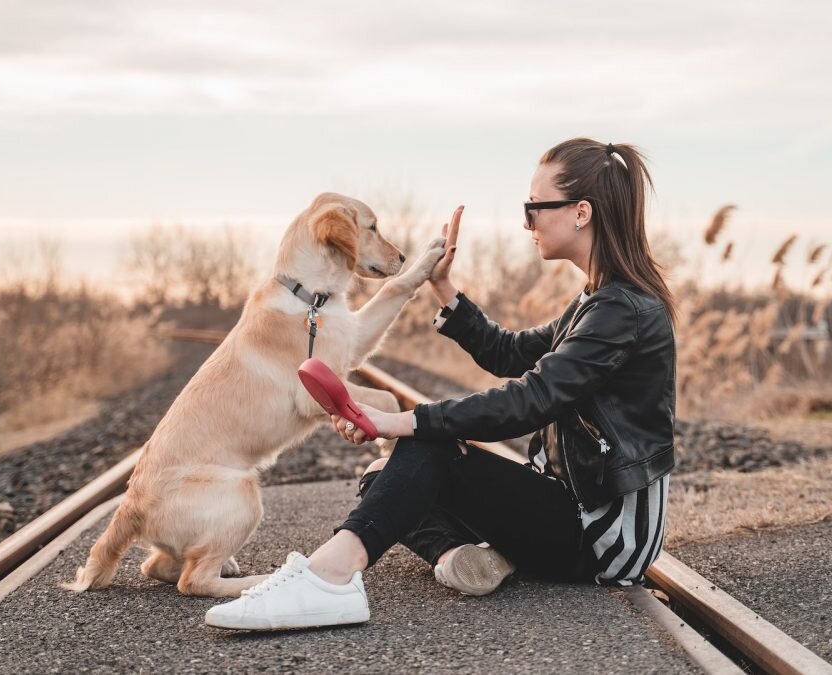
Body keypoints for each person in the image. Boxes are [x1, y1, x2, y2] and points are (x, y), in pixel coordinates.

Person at [205, 137, 678, 631]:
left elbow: (530, 399)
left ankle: (329, 577)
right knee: (383, 478)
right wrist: (442, 286)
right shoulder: (597, 301)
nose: (526, 222)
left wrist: (404, 420)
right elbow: (509, 353)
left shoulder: (621, 310)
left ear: (581, 212)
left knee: (423, 452)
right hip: (567, 505)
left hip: (603, 534)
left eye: (534, 208)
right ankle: (461, 557)